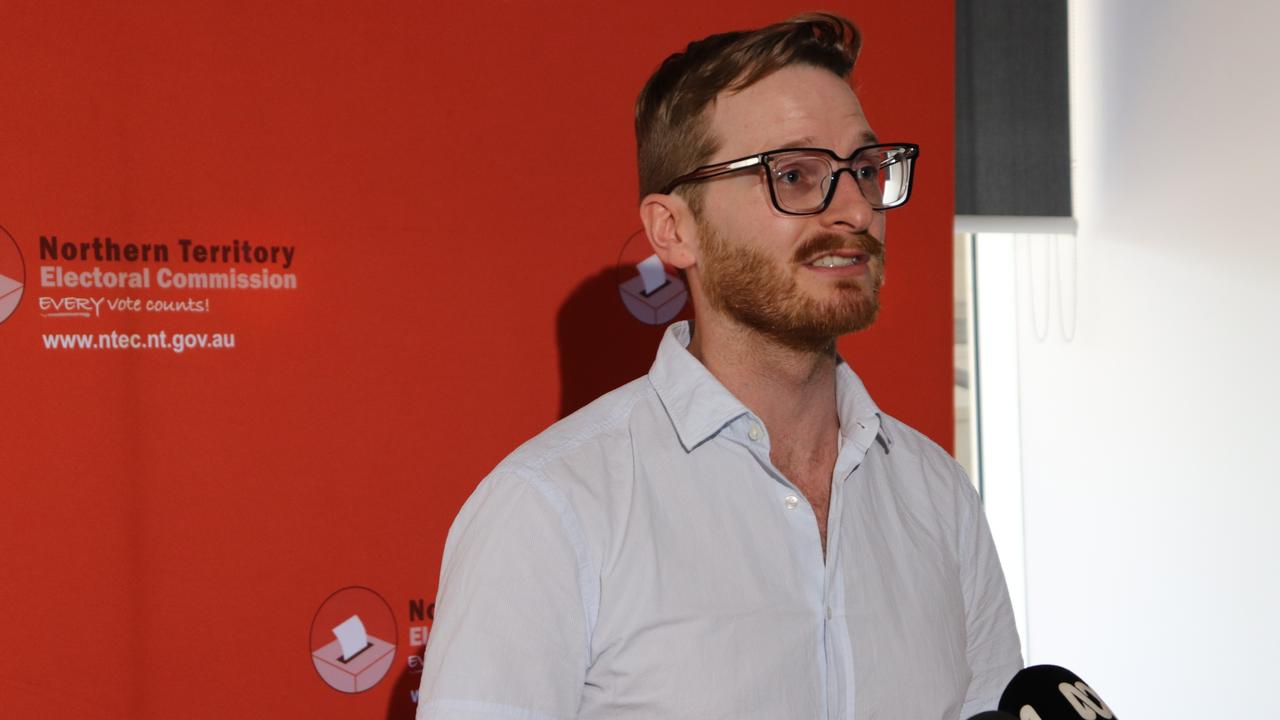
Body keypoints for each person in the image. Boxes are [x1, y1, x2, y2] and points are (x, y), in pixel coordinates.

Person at [417, 13, 1022, 720]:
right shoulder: (549, 512)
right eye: (794, 175)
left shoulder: (938, 498)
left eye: (863, 168)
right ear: (675, 230)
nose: (856, 208)